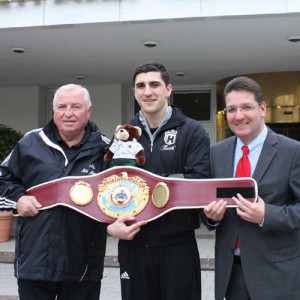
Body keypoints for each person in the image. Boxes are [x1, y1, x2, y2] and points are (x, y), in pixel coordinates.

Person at [107, 62, 211, 300]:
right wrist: (110, 226)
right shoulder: (123, 135)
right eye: (140, 86)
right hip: (134, 243)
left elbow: (198, 183)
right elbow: (110, 187)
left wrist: (148, 185)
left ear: (168, 89)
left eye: (154, 84)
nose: (147, 91)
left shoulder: (192, 131)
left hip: (178, 244)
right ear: (134, 92)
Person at [0, 84, 110, 300]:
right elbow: (2, 180)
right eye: (62, 106)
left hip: (83, 266)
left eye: (76, 106)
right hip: (35, 262)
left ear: (89, 111)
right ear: (53, 111)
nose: (68, 113)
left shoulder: (106, 149)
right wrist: (18, 200)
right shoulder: (30, 142)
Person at [204, 76, 300, 300]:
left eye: (246, 107)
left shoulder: (293, 151)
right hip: (231, 273)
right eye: (232, 109)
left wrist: (267, 215)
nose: (239, 116)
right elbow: (208, 200)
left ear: (263, 108)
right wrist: (211, 217)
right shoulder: (216, 153)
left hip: (276, 274)